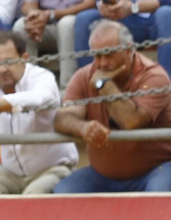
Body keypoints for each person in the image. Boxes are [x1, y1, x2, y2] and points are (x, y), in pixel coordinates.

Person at [54, 18, 171, 193]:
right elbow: (61, 118)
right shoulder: (84, 75)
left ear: (129, 49)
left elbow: (130, 122)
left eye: (109, 54)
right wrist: (83, 127)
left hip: (155, 170)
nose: (102, 63)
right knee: (64, 192)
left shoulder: (154, 76)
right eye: (97, 56)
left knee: (158, 197)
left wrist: (104, 84)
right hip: (102, 175)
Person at [0, 29, 76, 194]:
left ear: (24, 59)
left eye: (8, 61)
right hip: (9, 172)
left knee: (33, 195)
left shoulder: (42, 76)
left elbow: (39, 97)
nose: (2, 69)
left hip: (52, 168)